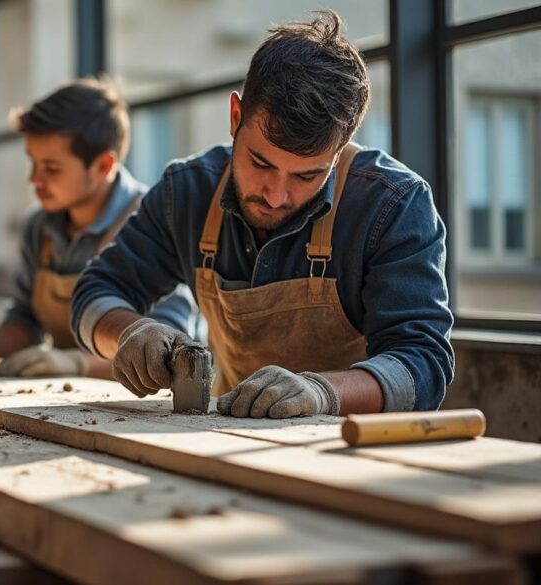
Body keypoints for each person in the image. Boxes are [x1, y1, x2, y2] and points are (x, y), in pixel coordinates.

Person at [71, 11, 453, 417]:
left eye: (307, 175)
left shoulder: (393, 205)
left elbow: (424, 364)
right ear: (236, 117)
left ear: (340, 149)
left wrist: (323, 393)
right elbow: (94, 293)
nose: (276, 195)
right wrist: (131, 331)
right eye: (261, 163)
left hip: (350, 450)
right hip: (222, 438)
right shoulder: (185, 192)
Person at [0, 79, 198, 378]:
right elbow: (26, 320)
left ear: (103, 166)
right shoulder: (40, 227)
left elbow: (171, 350)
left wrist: (76, 363)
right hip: (64, 398)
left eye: (51, 168)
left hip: (140, 408)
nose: (34, 179)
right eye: (33, 163)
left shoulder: (152, 222)